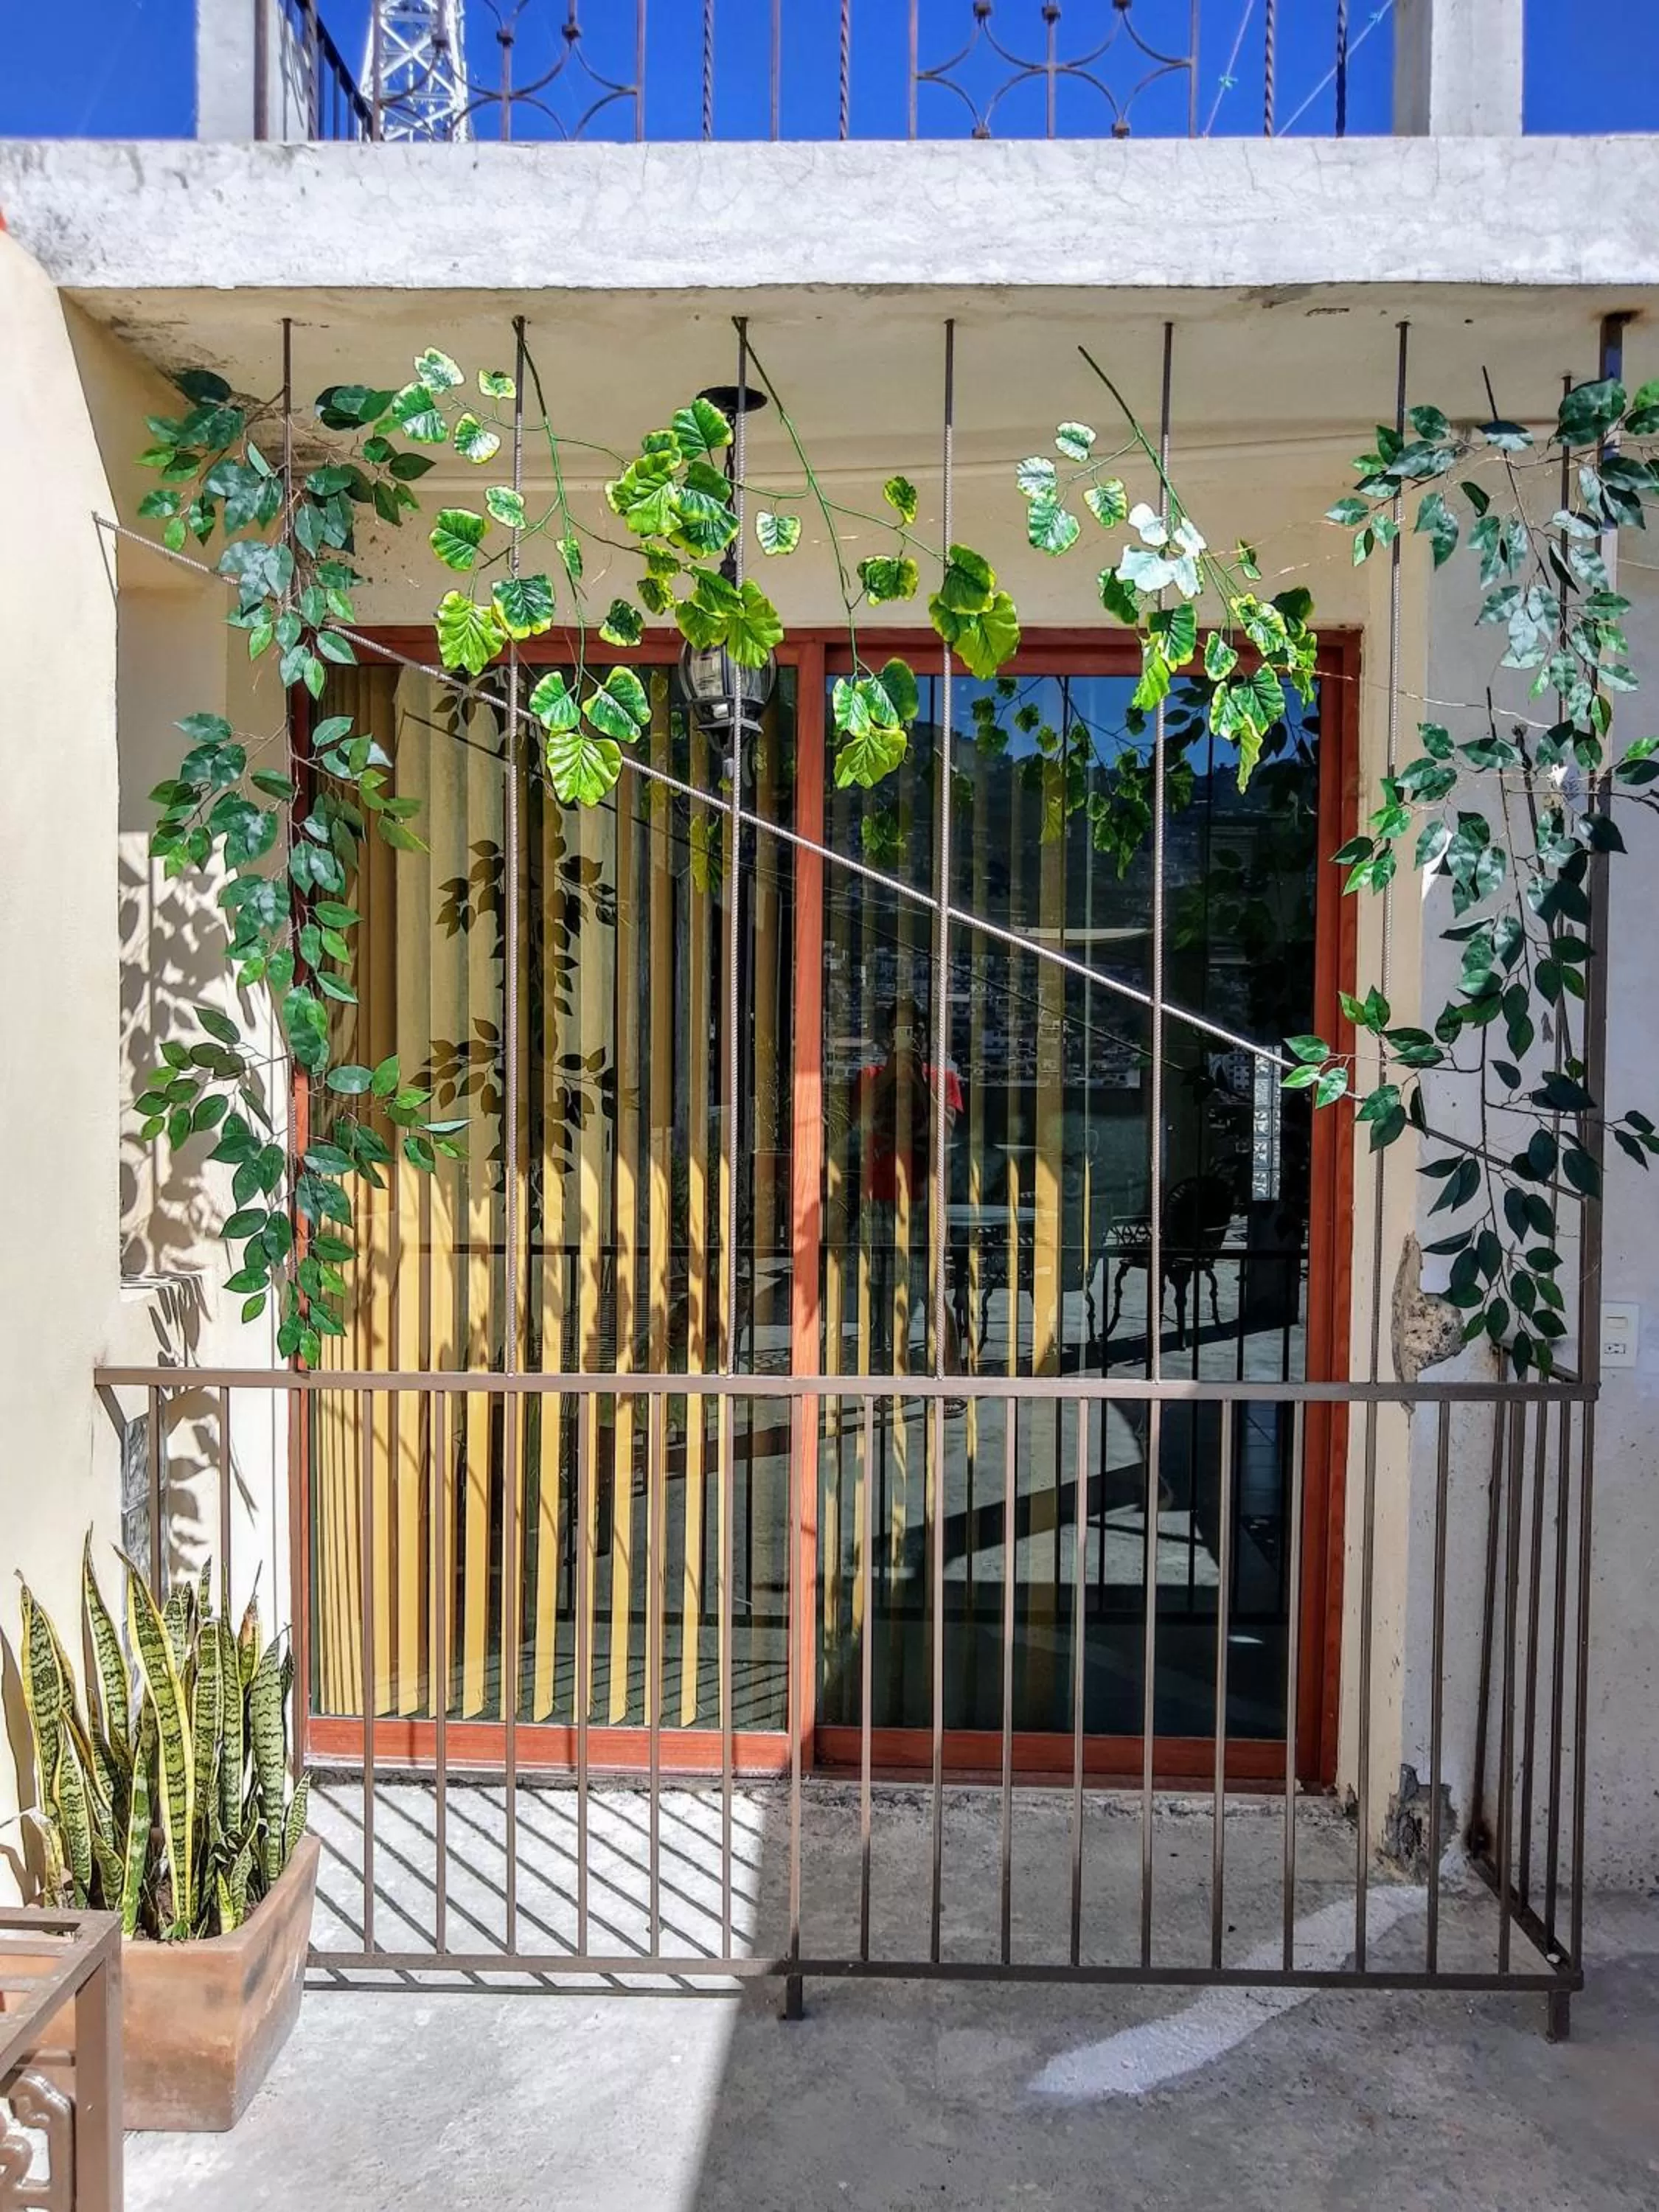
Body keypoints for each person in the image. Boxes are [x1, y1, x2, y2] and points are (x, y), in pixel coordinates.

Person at [854, 995, 963, 1368]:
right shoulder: (869, 1078)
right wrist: (891, 1074)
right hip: (882, 1197)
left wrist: (917, 1078)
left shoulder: (942, 1079)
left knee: (933, 1293)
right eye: (901, 1032)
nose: (908, 1039)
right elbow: (863, 1125)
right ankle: (890, 1374)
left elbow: (942, 1132)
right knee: (883, 1295)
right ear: (887, 1037)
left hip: (923, 1199)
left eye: (914, 1032)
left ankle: (949, 1376)